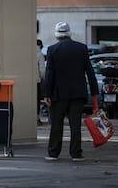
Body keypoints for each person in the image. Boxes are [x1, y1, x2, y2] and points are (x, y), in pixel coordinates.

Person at [43, 22, 99, 162]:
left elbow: (49, 74)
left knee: (56, 124)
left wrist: (46, 94)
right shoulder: (81, 48)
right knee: (75, 125)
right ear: (69, 33)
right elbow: (90, 72)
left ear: (57, 34)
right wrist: (94, 92)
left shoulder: (52, 50)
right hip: (77, 94)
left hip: (58, 94)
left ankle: (53, 153)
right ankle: (76, 153)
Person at [37, 39, 46, 125]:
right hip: (37, 80)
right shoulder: (40, 55)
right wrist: (42, 77)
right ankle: (37, 117)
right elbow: (42, 70)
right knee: (37, 100)